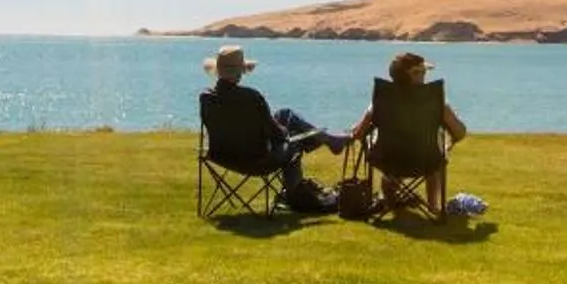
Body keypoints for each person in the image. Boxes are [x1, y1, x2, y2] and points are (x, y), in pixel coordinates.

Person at [199, 45, 345, 214]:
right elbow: (277, 133)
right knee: (294, 138)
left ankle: (326, 140)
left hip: (221, 155)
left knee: (284, 114)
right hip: (258, 160)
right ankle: (296, 192)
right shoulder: (251, 97)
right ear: (240, 72)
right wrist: (287, 132)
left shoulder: (206, 97)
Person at [349, 49, 469, 150]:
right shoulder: (435, 100)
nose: (425, 75)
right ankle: (435, 178)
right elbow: (459, 132)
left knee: (389, 163)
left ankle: (390, 178)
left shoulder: (383, 99)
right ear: (415, 74)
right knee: (436, 156)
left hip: (387, 159)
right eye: (422, 72)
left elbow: (359, 133)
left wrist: (354, 131)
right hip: (427, 160)